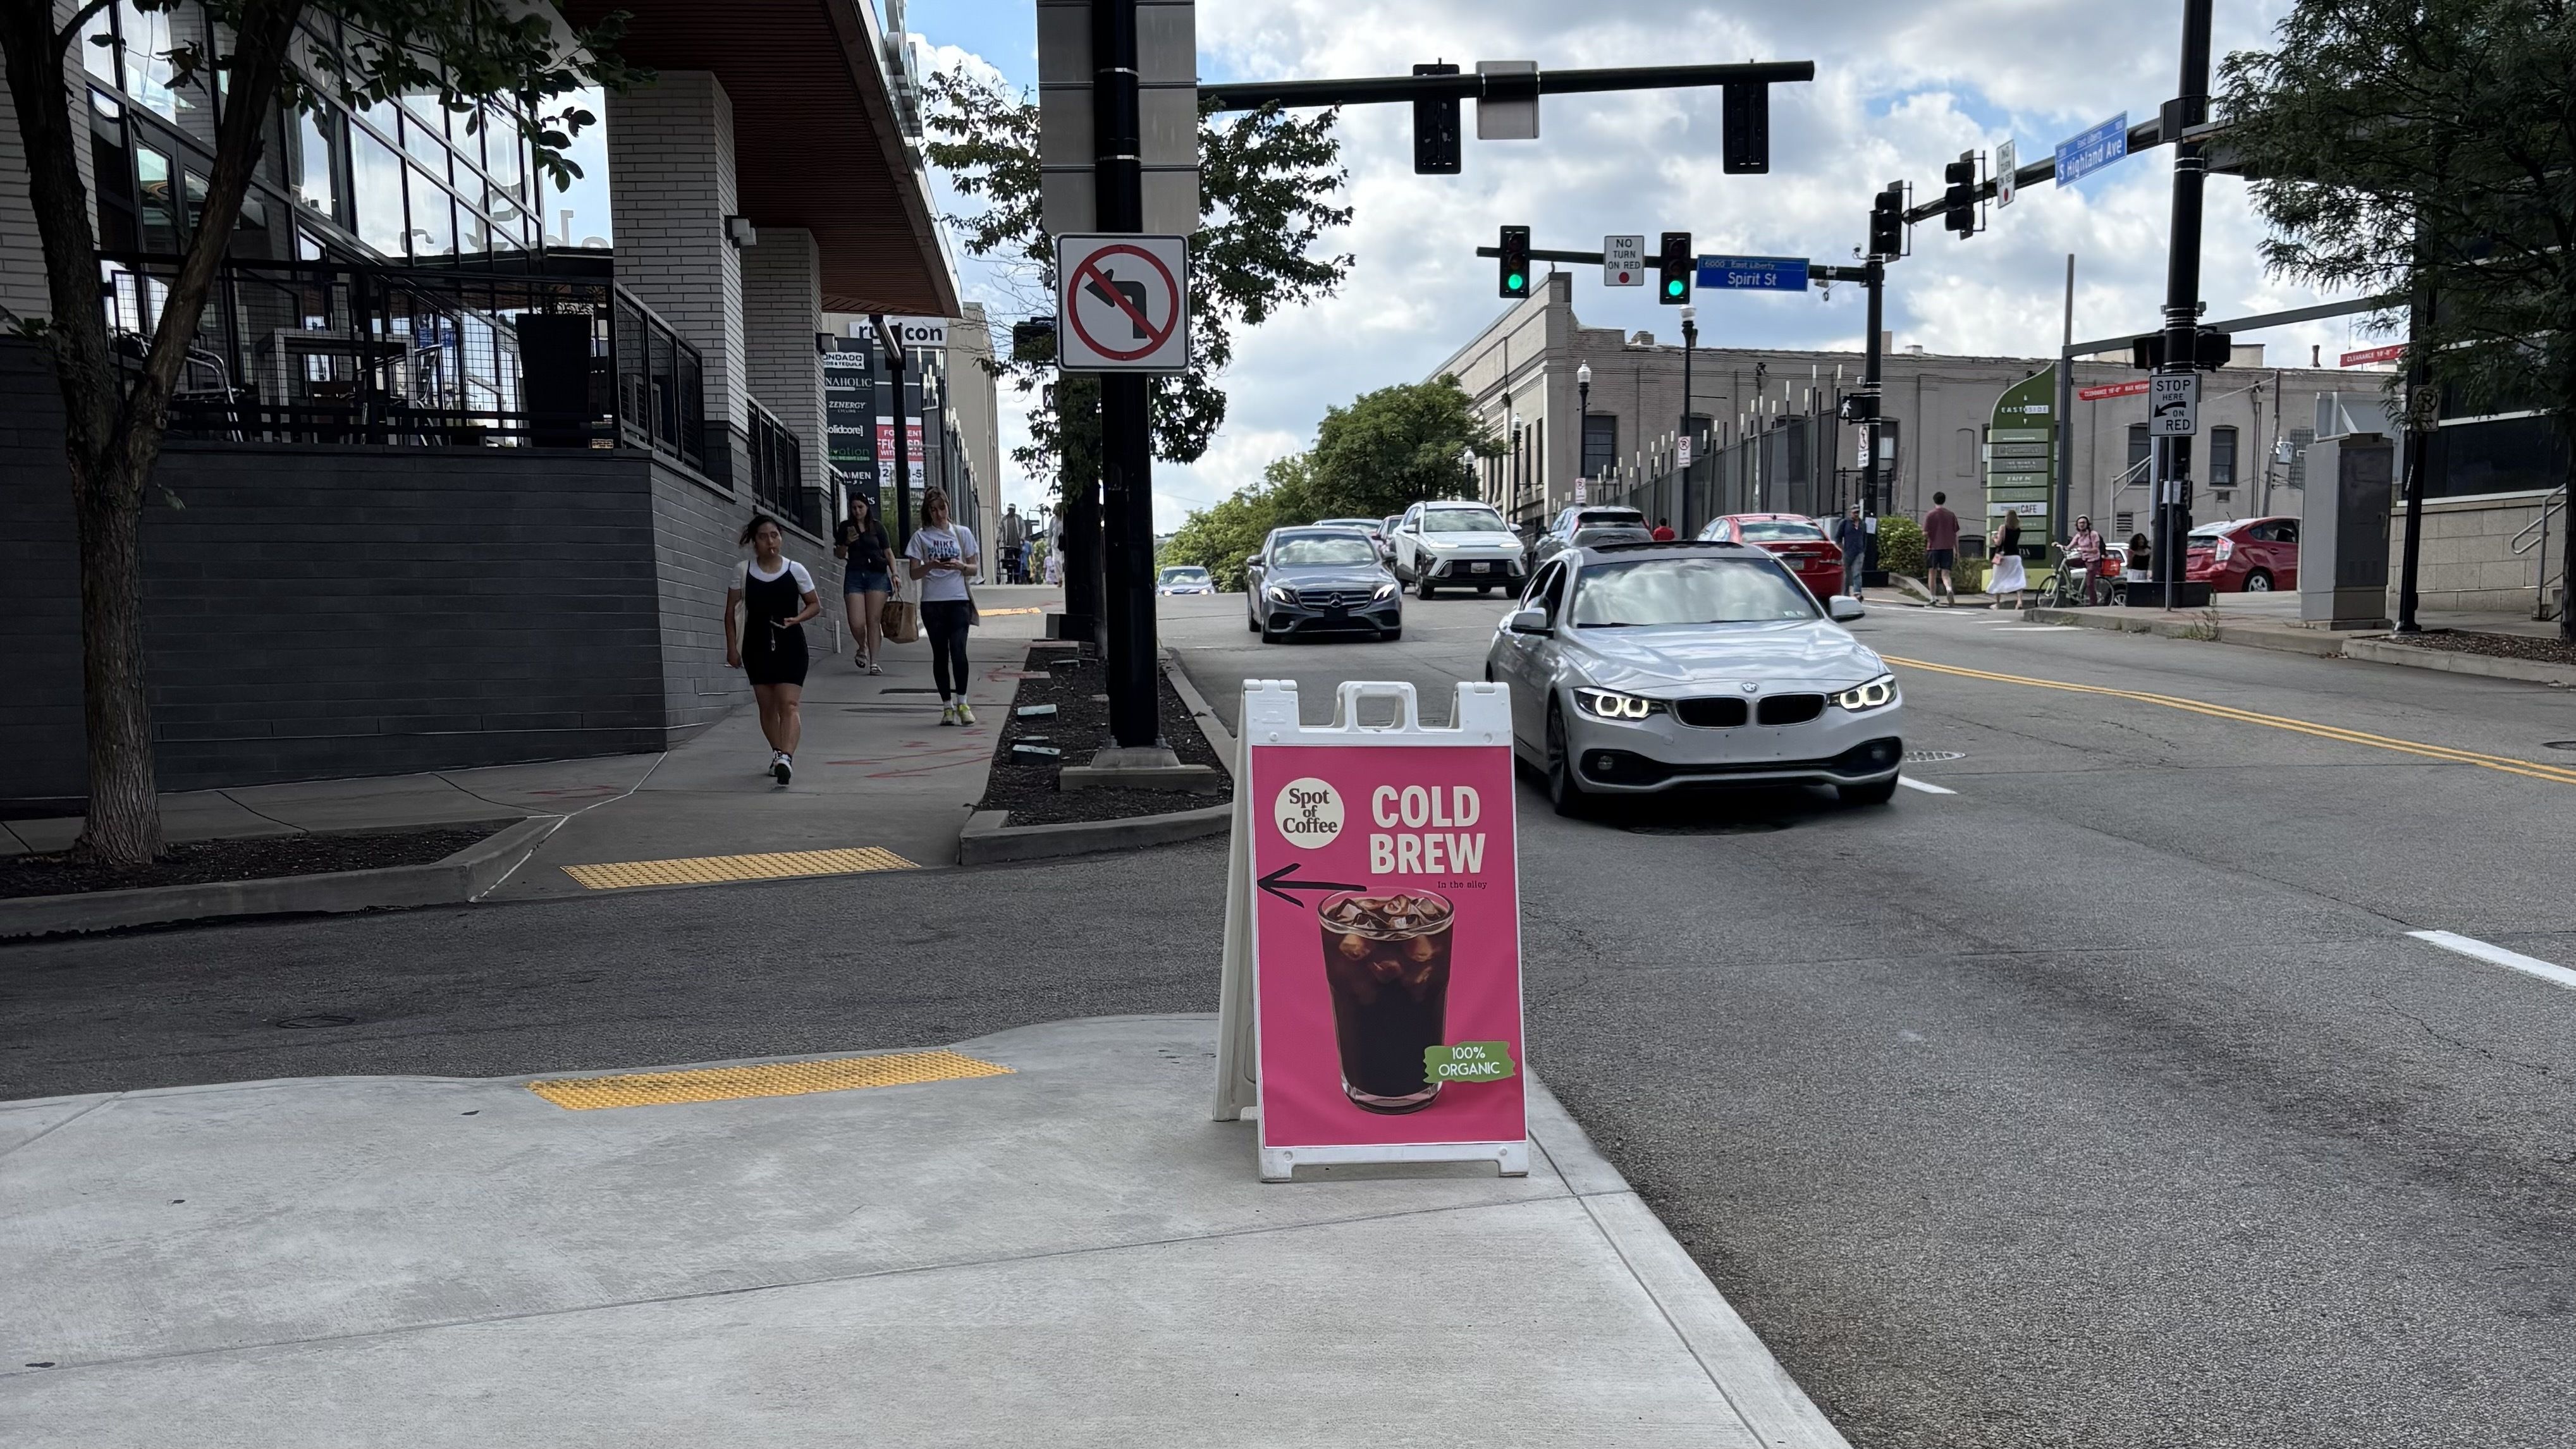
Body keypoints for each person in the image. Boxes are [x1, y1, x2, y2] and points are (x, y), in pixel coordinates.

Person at [724, 515, 821, 785]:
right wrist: (732, 648)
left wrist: (797, 619)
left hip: (791, 645)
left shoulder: (796, 570)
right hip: (755, 646)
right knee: (767, 708)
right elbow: (731, 613)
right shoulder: (743, 571)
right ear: (754, 541)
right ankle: (778, 752)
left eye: (775, 535)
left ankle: (786, 759)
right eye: (764, 536)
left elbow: (815, 604)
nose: (771, 541)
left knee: (789, 704)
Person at [906, 488, 982, 726]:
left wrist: (960, 566)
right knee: (940, 654)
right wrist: (930, 566)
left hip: (958, 600)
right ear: (928, 512)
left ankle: (963, 703)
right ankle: (947, 706)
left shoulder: (962, 533)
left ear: (948, 507)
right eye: (934, 509)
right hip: (933, 603)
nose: (939, 514)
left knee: (959, 650)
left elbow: (975, 568)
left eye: (942, 508)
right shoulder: (921, 537)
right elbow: (913, 573)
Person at [833, 493, 892, 674]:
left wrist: (895, 574)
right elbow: (840, 555)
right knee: (856, 622)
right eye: (854, 508)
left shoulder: (877, 527)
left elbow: (888, 552)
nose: (857, 511)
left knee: (873, 620)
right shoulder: (845, 527)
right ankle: (862, 646)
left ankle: (874, 663)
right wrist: (846, 543)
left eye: (861, 507)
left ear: (867, 508)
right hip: (855, 575)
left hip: (877, 575)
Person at [1923, 492, 1961, 605]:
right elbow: (1955, 534)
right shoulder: (1951, 515)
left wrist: (1930, 538)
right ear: (1944, 500)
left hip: (1933, 547)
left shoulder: (1930, 515)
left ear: (1934, 500)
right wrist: (1957, 550)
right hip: (1948, 548)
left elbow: (1925, 532)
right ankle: (1949, 589)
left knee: (1932, 573)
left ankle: (1933, 598)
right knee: (1946, 574)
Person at [1987, 509, 2028, 609]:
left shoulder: (2003, 528)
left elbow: (1999, 543)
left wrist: (1994, 538)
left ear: (2007, 518)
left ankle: (1998, 604)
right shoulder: (2018, 529)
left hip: (2003, 557)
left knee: (1998, 578)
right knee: (2019, 578)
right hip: (2016, 557)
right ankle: (2019, 601)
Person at [2067, 515, 2108, 605]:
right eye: (2080, 523)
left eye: (2084, 523)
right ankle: (2069, 586)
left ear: (2087, 524)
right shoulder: (2078, 536)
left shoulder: (2093, 534)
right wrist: (2061, 547)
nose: (2082, 525)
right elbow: (2070, 546)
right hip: (2084, 558)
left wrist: (2084, 550)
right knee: (2066, 563)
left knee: (2090, 584)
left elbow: (2095, 550)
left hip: (2093, 560)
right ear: (2077, 525)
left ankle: (2093, 604)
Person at [1835, 504, 1869, 602]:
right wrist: (1842, 548)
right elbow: (1838, 538)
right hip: (1847, 552)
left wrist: (1863, 550)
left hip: (1859, 552)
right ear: (1851, 513)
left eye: (1858, 512)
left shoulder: (1863, 524)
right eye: (1854, 512)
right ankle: (1845, 593)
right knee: (1847, 573)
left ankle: (1857, 593)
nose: (1856, 514)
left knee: (1857, 573)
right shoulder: (1845, 523)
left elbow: (1865, 538)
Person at [998, 504, 1027, 584]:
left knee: (1017, 562)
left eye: (1012, 510)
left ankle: (1016, 579)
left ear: (1014, 510)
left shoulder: (1018, 518)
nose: (1011, 511)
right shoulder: (1004, 519)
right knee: (1008, 562)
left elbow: (1023, 528)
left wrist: (1022, 538)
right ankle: (1009, 579)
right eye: (1010, 509)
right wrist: (999, 537)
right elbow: (1000, 528)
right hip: (1007, 544)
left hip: (1017, 544)